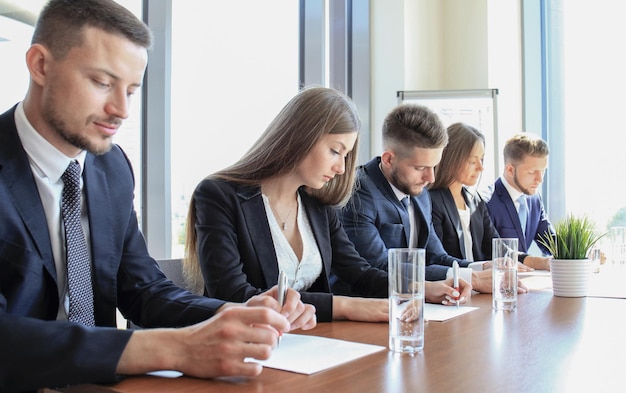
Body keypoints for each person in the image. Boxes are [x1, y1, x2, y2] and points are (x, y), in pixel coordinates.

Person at [0, 1, 316, 392]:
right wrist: (170, 349)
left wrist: (235, 313)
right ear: (40, 65)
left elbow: (143, 289)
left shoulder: (110, 167)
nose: (121, 110)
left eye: (131, 90)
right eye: (101, 83)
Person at [184, 87, 474, 324]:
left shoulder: (317, 204)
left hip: (312, 345)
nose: (340, 167)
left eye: (346, 155)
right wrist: (346, 307)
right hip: (245, 349)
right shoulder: (219, 195)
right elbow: (234, 295)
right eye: (335, 151)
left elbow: (359, 272)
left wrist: (422, 289)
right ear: (299, 136)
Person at [337, 104, 529, 295]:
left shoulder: (421, 193)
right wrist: (472, 278)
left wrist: (483, 267)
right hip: (365, 311)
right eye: (420, 168)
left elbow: (436, 257)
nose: (431, 179)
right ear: (388, 159)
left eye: (434, 167)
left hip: (413, 305)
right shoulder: (358, 192)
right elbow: (380, 267)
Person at [427, 123, 501, 261]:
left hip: (477, 279)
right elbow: (436, 258)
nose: (480, 167)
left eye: (481, 159)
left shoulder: (475, 200)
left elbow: (496, 247)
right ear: (452, 159)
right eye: (473, 161)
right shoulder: (430, 201)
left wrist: (534, 261)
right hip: (452, 280)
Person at [482, 133, 554, 270]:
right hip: (497, 285)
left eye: (543, 171)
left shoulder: (534, 199)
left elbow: (550, 241)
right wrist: (538, 263)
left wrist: (583, 253)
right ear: (510, 169)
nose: (540, 179)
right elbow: (490, 252)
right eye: (532, 172)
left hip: (524, 284)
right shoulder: (486, 201)